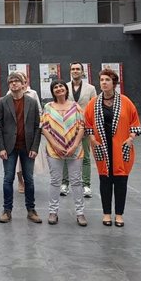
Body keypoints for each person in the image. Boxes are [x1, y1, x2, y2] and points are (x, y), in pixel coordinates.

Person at [85, 68, 141, 227]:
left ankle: (119, 214)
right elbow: (87, 123)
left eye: (107, 80)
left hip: (121, 146)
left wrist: (131, 138)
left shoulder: (125, 101)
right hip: (102, 147)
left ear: (114, 83)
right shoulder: (94, 102)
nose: (104, 82)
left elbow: (135, 123)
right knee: (105, 181)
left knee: (121, 181)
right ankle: (106, 214)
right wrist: (92, 138)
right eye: (102, 80)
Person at [0, 72, 42, 224]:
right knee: (8, 179)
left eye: (17, 81)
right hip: (9, 147)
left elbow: (37, 126)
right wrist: (0, 147)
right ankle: (7, 210)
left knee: (29, 179)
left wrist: (35, 147)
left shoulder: (32, 102)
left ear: (24, 84)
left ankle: (31, 210)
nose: (14, 83)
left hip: (28, 146)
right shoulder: (3, 102)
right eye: (11, 81)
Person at [40, 80, 87, 226]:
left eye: (61, 86)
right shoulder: (48, 107)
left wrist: (74, 145)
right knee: (55, 181)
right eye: (55, 87)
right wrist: (55, 145)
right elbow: (44, 128)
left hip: (75, 149)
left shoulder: (75, 106)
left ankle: (80, 213)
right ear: (53, 91)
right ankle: (53, 212)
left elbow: (81, 127)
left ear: (66, 89)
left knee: (76, 181)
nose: (59, 89)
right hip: (54, 151)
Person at [62, 62, 97, 198]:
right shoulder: (64, 87)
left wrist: (92, 126)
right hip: (68, 126)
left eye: (78, 69)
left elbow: (94, 107)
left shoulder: (91, 88)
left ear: (83, 72)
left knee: (86, 156)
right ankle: (65, 184)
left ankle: (86, 185)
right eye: (73, 69)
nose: (75, 71)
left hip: (85, 126)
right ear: (70, 71)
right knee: (66, 155)